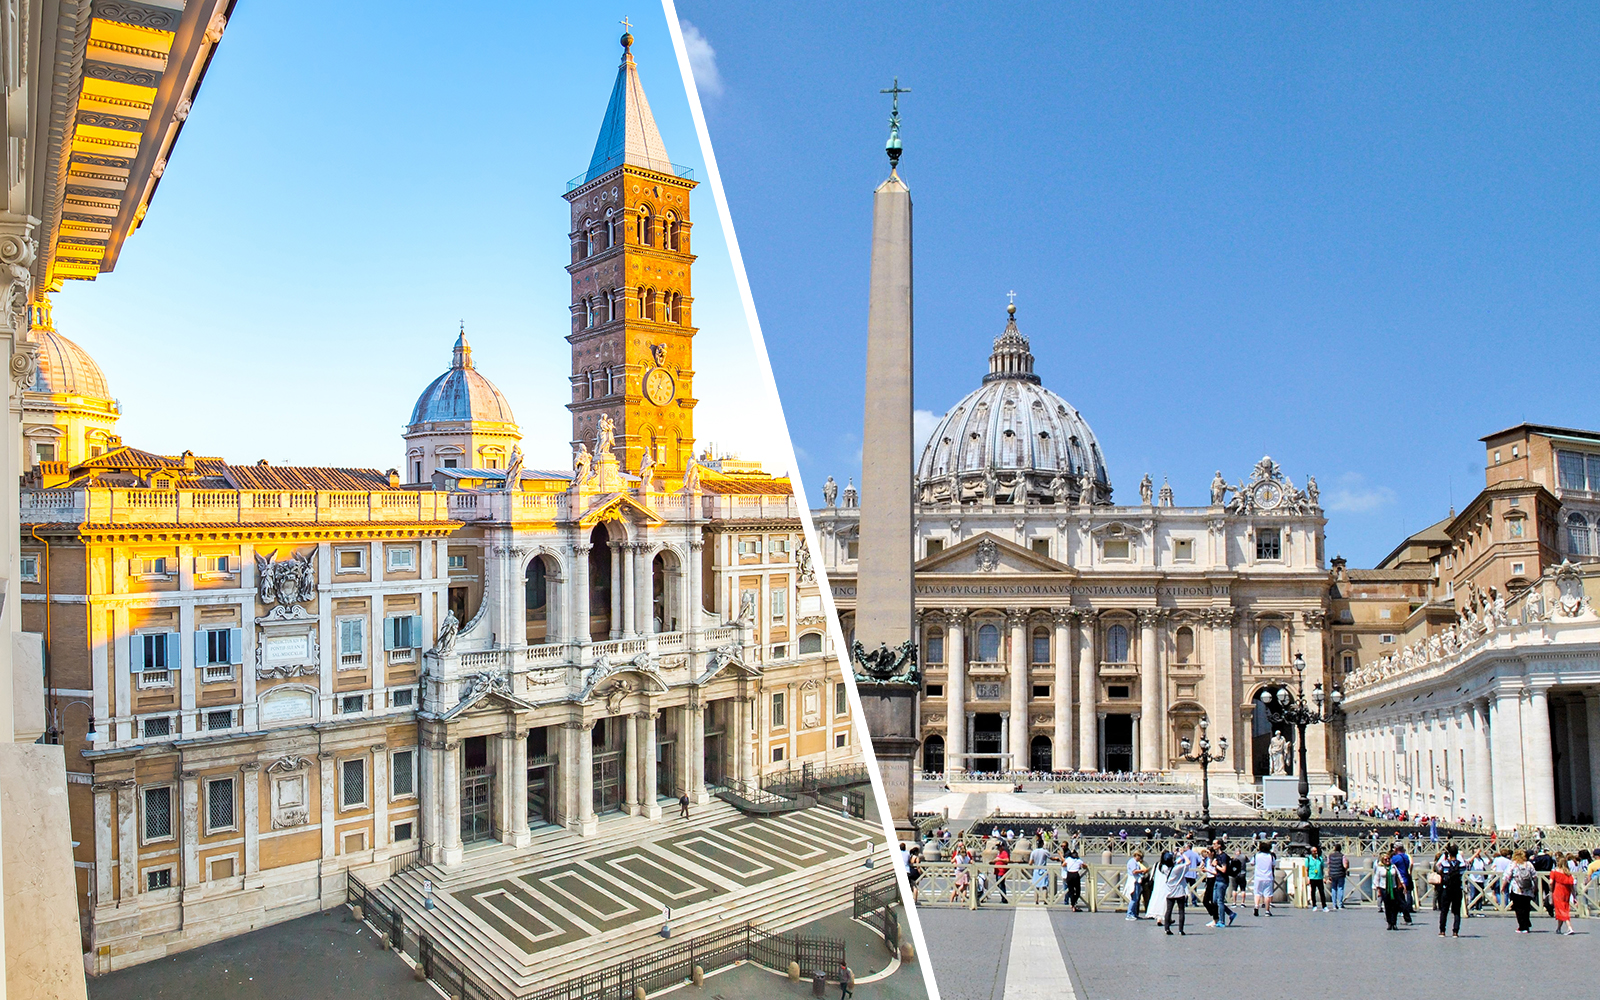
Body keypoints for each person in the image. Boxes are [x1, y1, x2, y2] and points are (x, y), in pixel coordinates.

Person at [1435, 843, 1465, 938]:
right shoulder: (1461, 865)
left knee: (1444, 911)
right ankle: (1455, 932)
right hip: (1457, 889)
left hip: (1446, 889)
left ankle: (1442, 931)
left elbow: (1439, 869)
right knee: (1456, 912)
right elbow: (1463, 871)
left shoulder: (1444, 864)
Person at [1507, 849, 1537, 934]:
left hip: (1517, 889)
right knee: (1526, 908)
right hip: (1528, 889)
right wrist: (1536, 886)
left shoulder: (1513, 864)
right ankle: (1526, 925)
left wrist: (1503, 886)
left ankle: (1522, 926)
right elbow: (1535, 876)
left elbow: (1507, 876)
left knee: (1518, 908)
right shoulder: (1529, 864)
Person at [1163, 849, 1191, 935]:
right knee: (1181, 911)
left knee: (1168, 910)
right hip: (1179, 892)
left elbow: (1174, 862)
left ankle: (1166, 929)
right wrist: (1183, 854)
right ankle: (1180, 930)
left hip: (1169, 892)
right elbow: (1188, 862)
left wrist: (1175, 855)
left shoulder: (1164, 868)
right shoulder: (1178, 868)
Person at [1376, 851, 1406, 930]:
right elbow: (1376, 879)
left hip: (1394, 888)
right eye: (1386, 859)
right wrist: (1378, 890)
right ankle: (1389, 922)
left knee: (1395, 906)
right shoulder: (1380, 868)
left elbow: (1399, 875)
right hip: (1384, 889)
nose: (1388, 860)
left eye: (1389, 859)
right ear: (1382, 860)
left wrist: (1403, 885)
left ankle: (1394, 922)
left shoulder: (1393, 867)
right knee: (1387, 906)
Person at [1550, 853, 1575, 935]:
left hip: (1558, 891)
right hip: (1566, 892)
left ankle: (1569, 927)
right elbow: (1572, 886)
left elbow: (1551, 882)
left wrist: (1551, 891)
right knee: (1562, 909)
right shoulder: (1568, 874)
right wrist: (1574, 896)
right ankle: (1558, 928)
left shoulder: (1554, 872)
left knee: (1562, 910)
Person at [1391, 843, 1415, 925]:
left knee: (1401, 900)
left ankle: (1407, 919)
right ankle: (1397, 915)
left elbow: (1389, 864)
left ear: (1396, 849)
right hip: (1406, 878)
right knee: (1401, 899)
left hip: (1400, 881)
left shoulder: (1396, 858)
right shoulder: (1406, 857)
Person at [1252, 842, 1276, 917]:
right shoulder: (1271, 856)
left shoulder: (1256, 855)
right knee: (1267, 894)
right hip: (1268, 877)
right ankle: (1267, 910)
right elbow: (1274, 864)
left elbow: (1252, 863)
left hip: (1258, 877)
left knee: (1257, 893)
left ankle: (1256, 906)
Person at [1125, 850, 1149, 921]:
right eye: (1140, 857)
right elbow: (1134, 871)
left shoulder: (1136, 862)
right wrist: (1143, 871)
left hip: (1137, 881)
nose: (1141, 859)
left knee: (1136, 898)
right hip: (1133, 881)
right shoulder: (1132, 862)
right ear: (1137, 855)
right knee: (1134, 899)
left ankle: (1134, 914)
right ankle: (1129, 914)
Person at [1326, 844, 1349, 909]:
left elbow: (1328, 865)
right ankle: (1340, 904)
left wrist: (1328, 874)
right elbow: (1345, 866)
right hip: (1340, 874)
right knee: (1340, 888)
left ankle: (1334, 904)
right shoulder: (1342, 856)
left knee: (1333, 888)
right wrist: (1347, 865)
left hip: (1332, 874)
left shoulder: (1330, 856)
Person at [1028, 839, 1050, 904]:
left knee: (1036, 886)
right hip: (1043, 869)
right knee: (1044, 886)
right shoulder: (1045, 851)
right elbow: (1051, 857)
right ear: (1042, 844)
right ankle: (1045, 900)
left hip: (1036, 870)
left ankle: (1036, 900)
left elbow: (1030, 862)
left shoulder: (1034, 852)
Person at [1307, 846, 1327, 911]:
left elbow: (1322, 868)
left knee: (1322, 892)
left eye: (1316, 851)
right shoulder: (1308, 859)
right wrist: (1307, 878)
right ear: (1311, 852)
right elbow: (1306, 869)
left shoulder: (1320, 859)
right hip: (1312, 877)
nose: (1315, 852)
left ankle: (1324, 906)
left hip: (1319, 877)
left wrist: (1324, 877)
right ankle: (1314, 905)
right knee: (1313, 892)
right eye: (1314, 851)